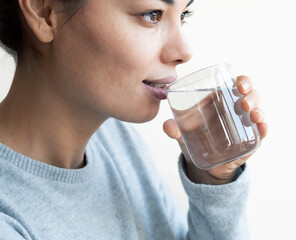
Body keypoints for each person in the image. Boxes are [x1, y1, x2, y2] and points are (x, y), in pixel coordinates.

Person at [0, 0, 268, 239]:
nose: (185, 51)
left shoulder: (117, 140)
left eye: (185, 14)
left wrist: (212, 181)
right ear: (44, 11)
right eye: (152, 14)